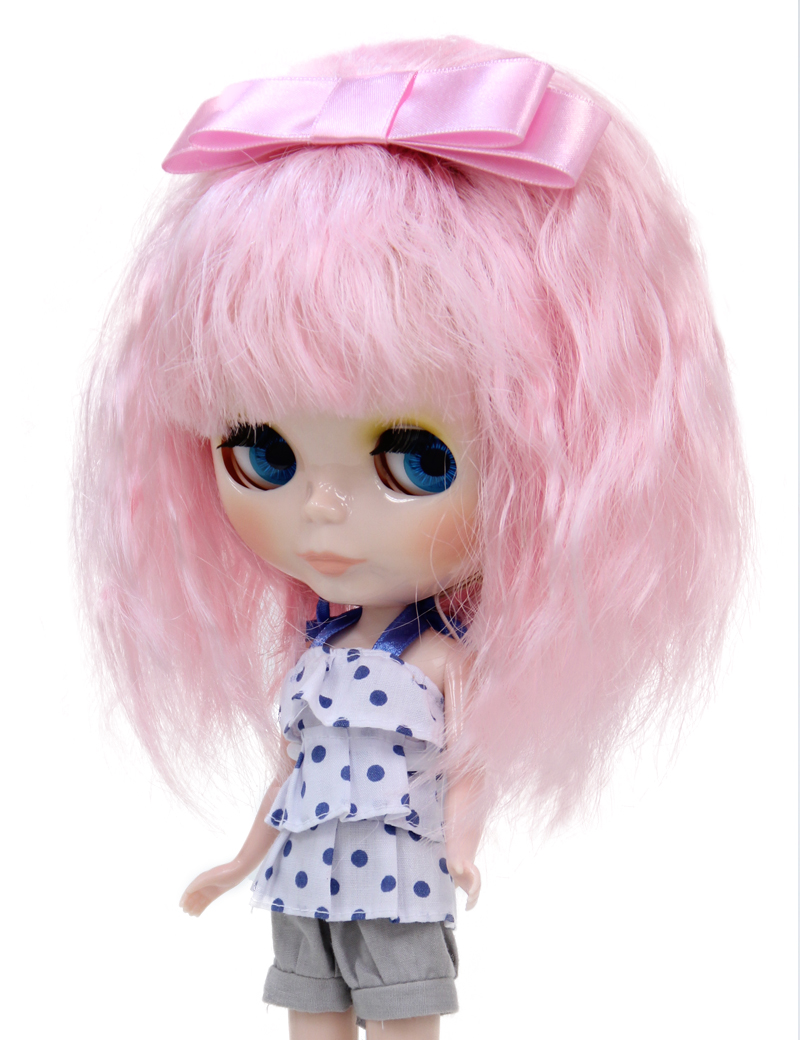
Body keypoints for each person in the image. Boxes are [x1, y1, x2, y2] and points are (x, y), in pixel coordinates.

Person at [75, 36, 749, 1040]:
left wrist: (461, 844)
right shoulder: (311, 656)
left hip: (398, 876)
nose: (321, 509)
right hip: (303, 875)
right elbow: (291, 777)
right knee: (308, 1015)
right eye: (262, 452)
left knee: (400, 1020)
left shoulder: (435, 658)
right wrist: (238, 860)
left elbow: (467, 766)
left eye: (415, 461)